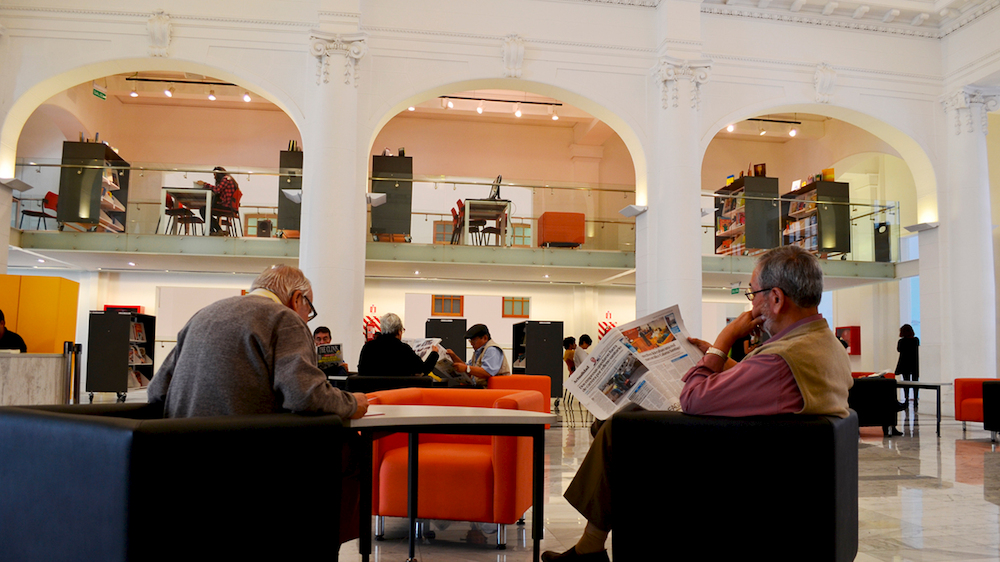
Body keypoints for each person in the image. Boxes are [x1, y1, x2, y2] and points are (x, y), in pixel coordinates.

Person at [542, 245, 853, 562]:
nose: (752, 304)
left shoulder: (781, 359)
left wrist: (724, 339)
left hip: (730, 469)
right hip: (773, 460)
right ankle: (589, 546)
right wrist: (713, 358)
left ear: (775, 298)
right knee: (611, 426)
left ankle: (589, 548)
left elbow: (693, 398)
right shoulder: (821, 343)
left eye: (753, 294)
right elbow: (764, 383)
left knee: (616, 428)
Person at [147, 265, 368, 546]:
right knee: (352, 452)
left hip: (180, 468)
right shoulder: (284, 318)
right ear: (297, 298)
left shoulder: (203, 315)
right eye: (308, 310)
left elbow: (156, 392)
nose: (307, 319)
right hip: (254, 467)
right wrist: (352, 402)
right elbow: (306, 395)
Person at [357, 312, 439, 376]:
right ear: (399, 332)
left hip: (372, 395)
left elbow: (361, 371)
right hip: (399, 395)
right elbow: (423, 370)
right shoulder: (404, 350)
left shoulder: (368, 348)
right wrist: (434, 354)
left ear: (382, 329)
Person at [446, 323, 511, 386]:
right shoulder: (479, 351)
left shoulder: (492, 350)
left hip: (491, 389)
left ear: (485, 338)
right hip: (480, 386)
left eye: (474, 340)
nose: (471, 344)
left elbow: (487, 372)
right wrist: (453, 356)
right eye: (470, 341)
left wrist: (466, 368)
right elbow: (467, 367)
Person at [195, 166, 241, 235]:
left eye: (215, 175)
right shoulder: (229, 179)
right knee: (206, 210)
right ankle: (216, 230)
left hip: (226, 206)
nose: (214, 177)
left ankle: (213, 231)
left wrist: (205, 184)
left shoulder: (226, 179)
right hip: (229, 206)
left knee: (203, 210)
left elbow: (217, 190)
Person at [896, 323, 920, 407]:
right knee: (915, 382)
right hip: (914, 363)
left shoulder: (901, 341)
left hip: (904, 363)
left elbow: (899, 350)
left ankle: (906, 398)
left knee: (906, 382)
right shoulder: (916, 340)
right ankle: (916, 399)